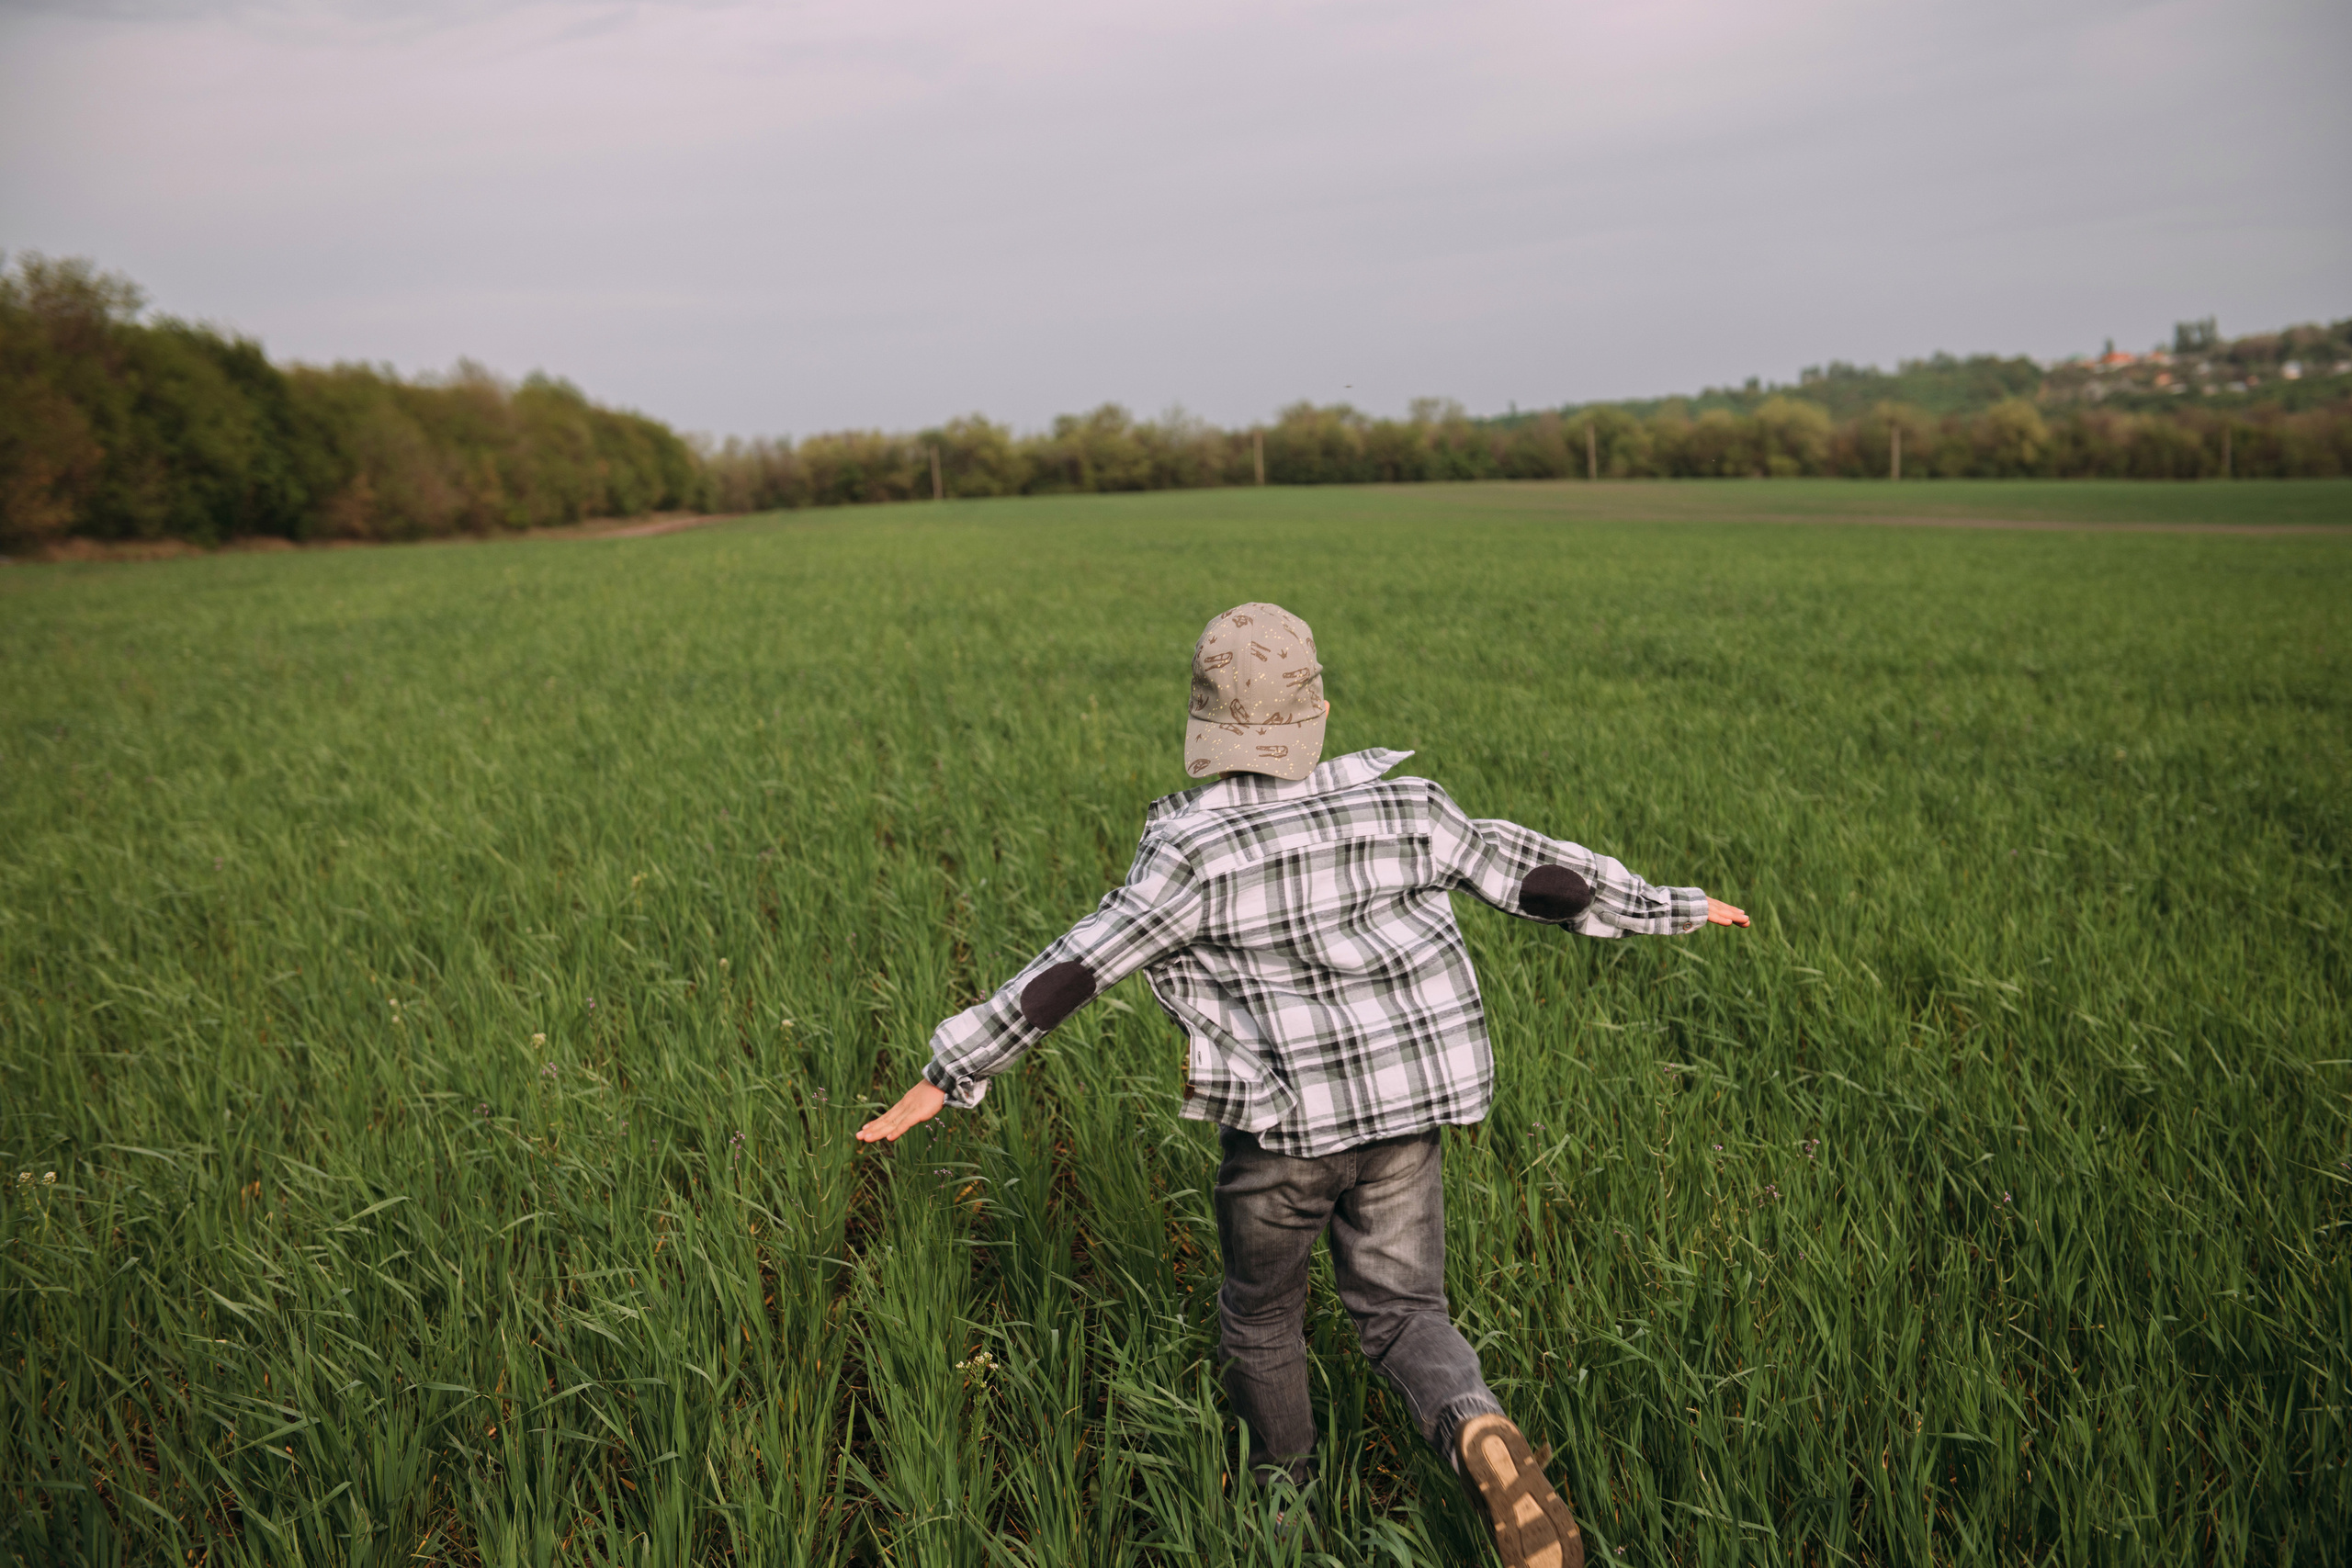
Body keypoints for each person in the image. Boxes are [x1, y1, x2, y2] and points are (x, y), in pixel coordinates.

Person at [860, 602, 1748, 1568]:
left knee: (1261, 1315)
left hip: (1283, 1138)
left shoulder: (1191, 850)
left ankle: (1282, 1494)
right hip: (1404, 1119)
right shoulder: (1405, 809)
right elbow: (1536, 877)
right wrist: (1671, 906)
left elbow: (1079, 964)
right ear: (1316, 707)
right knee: (1405, 1311)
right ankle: (1475, 1427)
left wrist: (951, 1072)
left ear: (1203, 723)